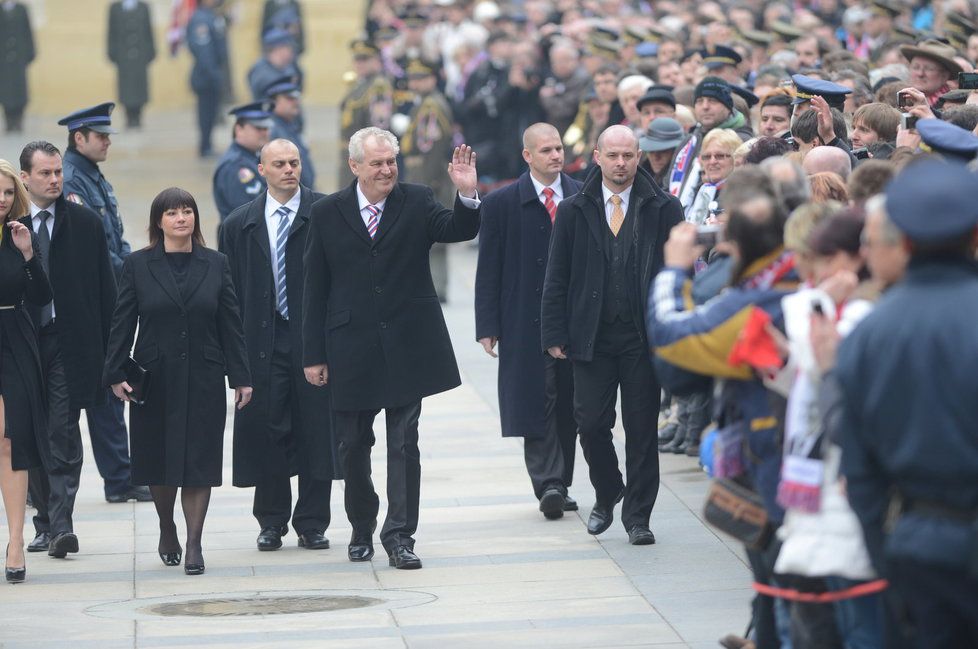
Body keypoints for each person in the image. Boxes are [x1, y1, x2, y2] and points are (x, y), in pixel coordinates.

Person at [302, 127, 480, 570]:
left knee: (404, 442)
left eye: (391, 161)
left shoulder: (417, 199)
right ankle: (362, 525)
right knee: (352, 444)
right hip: (350, 346)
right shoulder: (327, 212)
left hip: (407, 343)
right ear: (355, 166)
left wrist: (468, 194)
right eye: (377, 163)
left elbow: (455, 229)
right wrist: (312, 354)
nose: (386, 170)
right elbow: (314, 287)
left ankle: (400, 535)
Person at [837, 160, 978, 647]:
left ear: (906, 241)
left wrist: (888, 556)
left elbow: (859, 472)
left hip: (920, 544)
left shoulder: (871, 333)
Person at [541, 125, 683, 544]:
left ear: (638, 156)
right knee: (590, 425)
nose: (621, 164)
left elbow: (678, 275)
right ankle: (607, 491)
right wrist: (553, 331)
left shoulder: (664, 207)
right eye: (613, 156)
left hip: (642, 337)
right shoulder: (573, 209)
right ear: (597, 156)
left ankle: (638, 516)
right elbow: (557, 275)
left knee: (641, 430)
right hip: (591, 336)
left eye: (628, 156)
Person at [103, 187, 251, 576]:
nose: (181, 218)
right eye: (172, 213)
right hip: (155, 379)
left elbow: (230, 324)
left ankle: (194, 543)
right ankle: (167, 527)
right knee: (158, 459)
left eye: (187, 211)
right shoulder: (137, 265)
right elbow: (123, 321)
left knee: (199, 460)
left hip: (203, 376)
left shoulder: (216, 264)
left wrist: (241, 376)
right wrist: (115, 372)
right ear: (159, 221)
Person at [220, 139, 337, 553]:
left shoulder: (324, 212)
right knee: (266, 428)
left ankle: (312, 522)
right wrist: (235, 358)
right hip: (262, 340)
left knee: (315, 427)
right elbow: (228, 293)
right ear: (262, 169)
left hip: (312, 338)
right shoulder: (239, 223)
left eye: (294, 162)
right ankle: (271, 520)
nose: (289, 169)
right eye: (280, 164)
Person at [475, 123, 581, 520]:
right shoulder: (502, 203)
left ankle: (563, 480)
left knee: (570, 402)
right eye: (547, 150)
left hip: (573, 317)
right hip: (522, 316)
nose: (556, 156)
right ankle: (548, 483)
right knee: (537, 398)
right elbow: (489, 266)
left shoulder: (581, 194)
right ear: (527, 156)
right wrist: (487, 325)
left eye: (559, 148)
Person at [20, 141, 117, 559]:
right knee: (31, 431)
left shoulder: (85, 223)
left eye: (58, 172)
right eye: (45, 173)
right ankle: (43, 520)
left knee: (61, 429)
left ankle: (61, 524)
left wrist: (115, 353)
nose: (55, 179)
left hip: (69, 343)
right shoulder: (13, 227)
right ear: (25, 178)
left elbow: (106, 293)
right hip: (21, 345)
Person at [57, 102, 150, 505]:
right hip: (90, 302)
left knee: (113, 386)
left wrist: (130, 264)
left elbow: (114, 235)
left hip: (108, 293)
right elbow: (90, 249)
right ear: (79, 138)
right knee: (104, 388)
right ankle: (116, 477)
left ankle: (120, 476)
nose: (108, 142)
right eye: (101, 136)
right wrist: (132, 266)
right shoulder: (72, 179)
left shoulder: (91, 174)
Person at [0, 159, 52, 583]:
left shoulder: (19, 235)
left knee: (9, 442)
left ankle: (16, 540)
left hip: (14, 341)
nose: (1, 200)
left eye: (6, 192)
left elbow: (41, 296)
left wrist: (29, 255)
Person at [338, 39, 393, 188]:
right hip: (352, 154)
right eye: (357, 59)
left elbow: (379, 128)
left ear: (376, 61)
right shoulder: (360, 84)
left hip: (365, 157)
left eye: (365, 59)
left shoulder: (378, 86)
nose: (359, 64)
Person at [213, 102, 272, 222]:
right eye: (258, 128)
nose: (264, 132)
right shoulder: (235, 166)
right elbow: (247, 214)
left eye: (266, 128)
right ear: (239, 129)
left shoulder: (253, 157)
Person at [187, 0, 228, 157]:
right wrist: (214, 74)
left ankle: (207, 144)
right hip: (205, 75)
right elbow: (203, 51)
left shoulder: (211, 16)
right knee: (206, 113)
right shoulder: (200, 19)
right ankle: (205, 146)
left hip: (212, 72)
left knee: (211, 113)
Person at [107, 0, 156, 129]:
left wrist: (151, 52)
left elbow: (148, 30)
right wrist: (112, 53)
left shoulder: (144, 7)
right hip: (123, 56)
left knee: (140, 86)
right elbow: (111, 31)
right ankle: (129, 117)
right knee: (126, 87)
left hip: (141, 55)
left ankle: (138, 116)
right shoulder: (115, 8)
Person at [265, 75, 315, 189]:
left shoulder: (289, 125)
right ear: (274, 102)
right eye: (289, 98)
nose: (295, 102)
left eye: (296, 98)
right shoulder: (273, 131)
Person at [0, 2, 34, 133]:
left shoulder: (22, 10)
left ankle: (18, 120)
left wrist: (29, 53)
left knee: (20, 90)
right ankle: (9, 120)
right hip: (2, 60)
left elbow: (28, 32)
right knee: (5, 91)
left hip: (19, 59)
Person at [247, 28, 301, 102]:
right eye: (289, 47)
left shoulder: (288, 67)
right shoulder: (262, 73)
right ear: (278, 49)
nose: (292, 51)